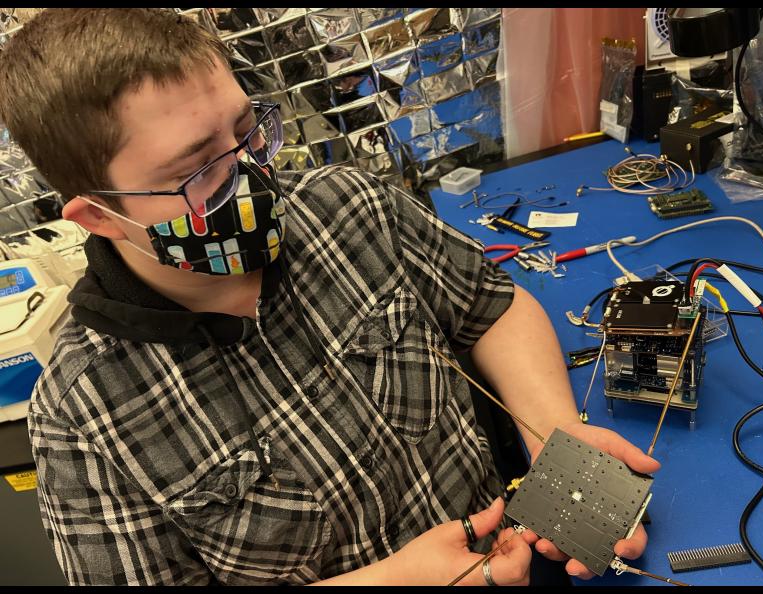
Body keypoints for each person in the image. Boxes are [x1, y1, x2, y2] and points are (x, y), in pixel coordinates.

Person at [0, 8, 660, 586]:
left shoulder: (344, 206)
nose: (256, 175)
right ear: (100, 217)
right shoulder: (80, 419)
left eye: (247, 129)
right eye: (197, 171)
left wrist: (554, 434)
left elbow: (492, 307)